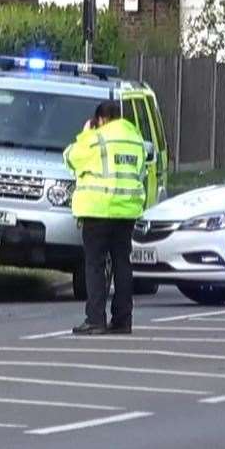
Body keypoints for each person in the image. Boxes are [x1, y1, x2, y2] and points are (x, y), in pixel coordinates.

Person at [63, 99, 149, 335]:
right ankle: (123, 320)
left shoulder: (96, 138)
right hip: (126, 210)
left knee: (95, 265)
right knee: (123, 264)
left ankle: (95, 319)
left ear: (100, 119)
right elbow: (141, 172)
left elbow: (70, 158)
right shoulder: (135, 140)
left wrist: (84, 134)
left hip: (98, 209)